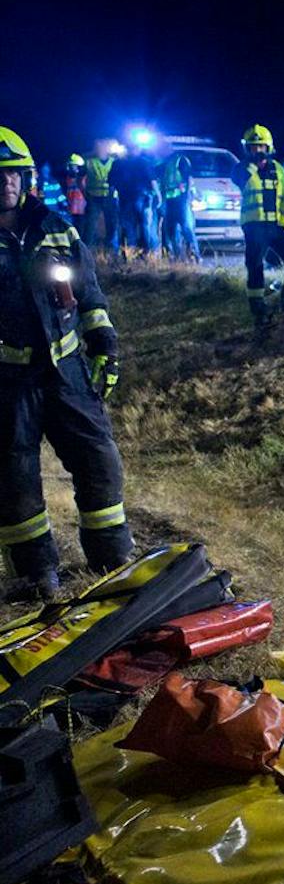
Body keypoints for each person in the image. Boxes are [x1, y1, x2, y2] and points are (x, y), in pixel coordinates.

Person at [0, 127, 133, 602]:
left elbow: (89, 294)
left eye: (12, 173)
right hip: (8, 382)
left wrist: (106, 346)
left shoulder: (56, 226)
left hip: (67, 370)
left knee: (99, 462)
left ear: (26, 177)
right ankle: (37, 573)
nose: (6, 183)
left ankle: (112, 558)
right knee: (13, 479)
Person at [232, 125, 284, 325]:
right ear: (247, 149)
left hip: (276, 226)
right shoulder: (242, 168)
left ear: (269, 147)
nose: (257, 151)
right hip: (254, 227)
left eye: (261, 147)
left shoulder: (279, 170)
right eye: (253, 147)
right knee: (255, 266)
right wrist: (254, 164)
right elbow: (239, 179)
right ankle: (258, 307)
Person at [109, 137, 158, 255]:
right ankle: (148, 253)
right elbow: (152, 182)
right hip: (142, 198)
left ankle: (130, 253)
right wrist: (158, 196)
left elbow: (111, 184)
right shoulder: (144, 162)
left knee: (128, 227)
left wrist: (111, 200)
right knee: (145, 226)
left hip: (124, 199)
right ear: (137, 148)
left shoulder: (117, 163)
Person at [155, 138, 199, 263]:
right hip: (169, 201)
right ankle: (178, 258)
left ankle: (195, 256)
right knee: (171, 230)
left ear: (167, 149)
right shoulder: (163, 163)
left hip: (181, 200)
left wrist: (187, 198)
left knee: (186, 228)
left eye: (161, 149)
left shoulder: (180, 160)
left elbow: (189, 180)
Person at [82, 140, 119, 255]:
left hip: (110, 197)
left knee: (112, 224)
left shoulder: (114, 161)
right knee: (91, 225)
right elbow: (81, 179)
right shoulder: (89, 161)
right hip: (94, 197)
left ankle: (112, 251)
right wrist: (85, 193)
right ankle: (86, 251)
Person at [61, 154, 88, 234]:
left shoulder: (85, 178)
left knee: (81, 230)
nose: (69, 168)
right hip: (71, 209)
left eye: (72, 166)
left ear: (78, 167)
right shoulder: (68, 178)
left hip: (82, 210)